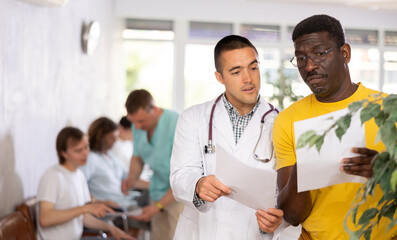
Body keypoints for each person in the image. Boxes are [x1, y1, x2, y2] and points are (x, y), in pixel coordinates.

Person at [274, 14, 397, 239]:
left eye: (320, 53)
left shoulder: (389, 109)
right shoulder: (288, 120)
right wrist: (306, 163)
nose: (309, 66)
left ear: (345, 53)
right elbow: (292, 215)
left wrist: (385, 170)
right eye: (300, 58)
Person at [170, 35, 283, 240]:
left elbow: (284, 191)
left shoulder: (281, 123)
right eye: (236, 71)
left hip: (251, 233)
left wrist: (277, 219)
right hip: (200, 232)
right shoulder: (193, 118)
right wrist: (197, 185)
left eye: (253, 67)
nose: (248, 78)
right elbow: (180, 176)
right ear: (220, 77)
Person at [36, 126, 134, 240]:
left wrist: (110, 228)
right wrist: (84, 208)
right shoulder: (52, 176)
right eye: (78, 151)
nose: (85, 154)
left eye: (86, 147)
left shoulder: (79, 175)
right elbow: (45, 219)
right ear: (64, 153)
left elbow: (83, 217)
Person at [121, 89, 184, 240]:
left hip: (178, 195)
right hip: (157, 192)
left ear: (154, 109)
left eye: (141, 121)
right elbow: (137, 157)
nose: (136, 127)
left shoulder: (176, 124)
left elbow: (182, 177)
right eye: (133, 122)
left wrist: (158, 207)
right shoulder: (138, 126)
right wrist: (132, 177)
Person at [110, 116, 152, 190]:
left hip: (137, 179)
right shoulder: (115, 148)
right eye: (133, 131)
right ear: (121, 129)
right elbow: (125, 175)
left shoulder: (128, 143)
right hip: (128, 184)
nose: (135, 134)